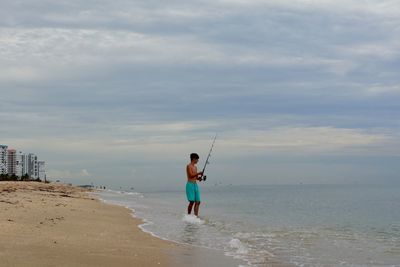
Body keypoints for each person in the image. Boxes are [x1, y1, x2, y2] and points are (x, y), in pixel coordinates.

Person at [186, 153, 203, 217]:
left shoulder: (195, 167)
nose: (197, 161)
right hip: (190, 185)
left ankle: (196, 216)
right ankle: (188, 216)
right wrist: (198, 173)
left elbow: (195, 177)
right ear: (193, 159)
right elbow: (190, 175)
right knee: (192, 201)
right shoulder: (188, 166)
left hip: (195, 184)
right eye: (197, 159)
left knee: (198, 202)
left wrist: (199, 178)